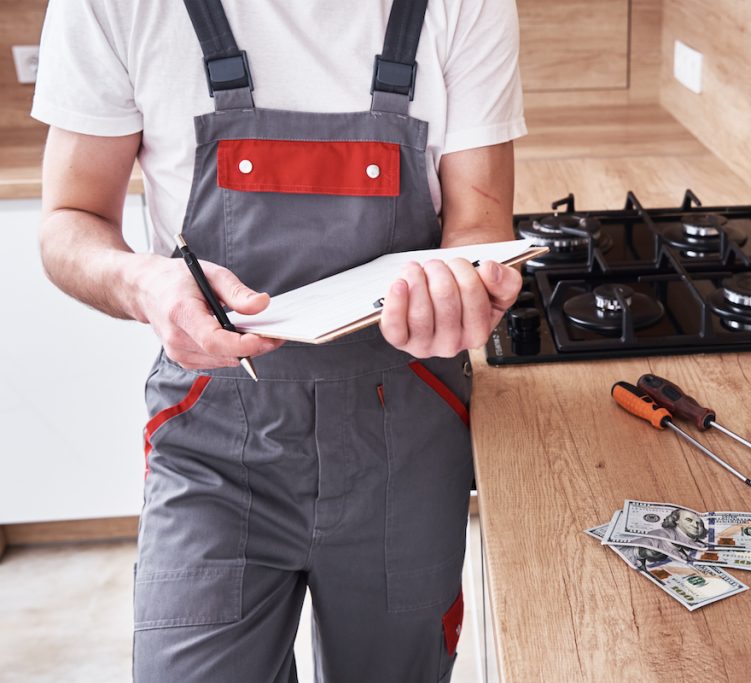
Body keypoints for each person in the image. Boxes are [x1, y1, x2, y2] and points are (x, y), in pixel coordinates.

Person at [32, 0, 525, 680]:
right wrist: (143, 282)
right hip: (214, 442)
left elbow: (479, 222)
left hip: (406, 440)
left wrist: (464, 286)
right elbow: (69, 219)